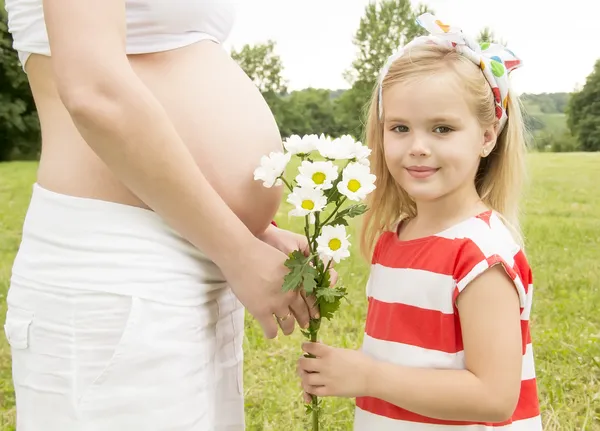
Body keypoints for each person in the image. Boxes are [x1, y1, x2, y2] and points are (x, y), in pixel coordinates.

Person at [2, 0, 318, 430]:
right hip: (120, 266)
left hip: (198, 252)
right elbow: (95, 93)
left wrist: (255, 232)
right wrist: (239, 252)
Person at [297, 13, 543, 430]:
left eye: (442, 128)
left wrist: (367, 376)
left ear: (487, 136)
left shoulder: (480, 255)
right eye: (400, 128)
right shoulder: (394, 239)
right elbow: (404, 354)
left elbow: (494, 398)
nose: (417, 147)